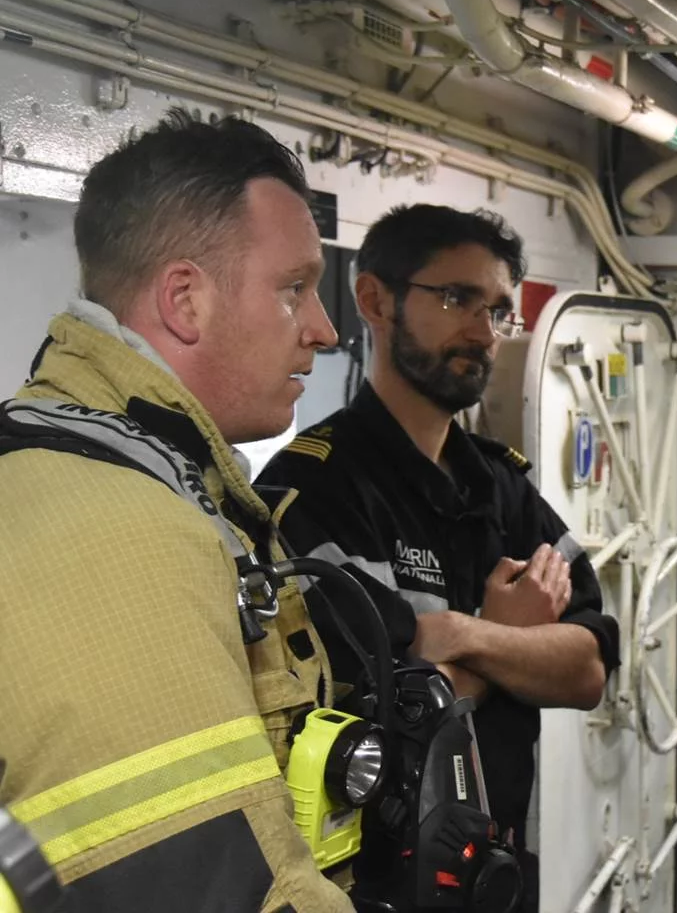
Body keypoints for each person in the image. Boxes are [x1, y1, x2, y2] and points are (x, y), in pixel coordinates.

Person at [0, 110, 351, 910]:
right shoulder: (114, 531)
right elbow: (215, 888)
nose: (325, 330)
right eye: (294, 289)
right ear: (186, 300)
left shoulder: (133, 475)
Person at [256, 204, 621, 911]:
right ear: (375, 301)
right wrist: (510, 637)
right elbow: (370, 719)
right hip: (373, 886)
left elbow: (587, 671)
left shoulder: (502, 487)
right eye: (457, 298)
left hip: (498, 872)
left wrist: (460, 635)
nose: (484, 332)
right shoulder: (313, 490)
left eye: (498, 311)